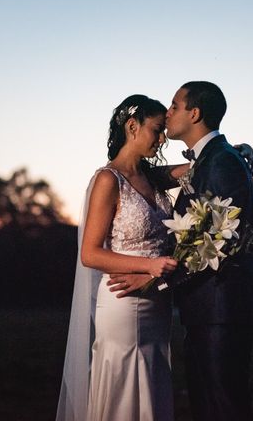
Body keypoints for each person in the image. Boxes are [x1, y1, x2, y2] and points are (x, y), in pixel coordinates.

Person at [56, 94, 184, 421]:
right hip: (123, 300)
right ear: (132, 127)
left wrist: (234, 153)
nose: (162, 139)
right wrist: (149, 266)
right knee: (126, 381)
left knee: (153, 378)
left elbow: (196, 167)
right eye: (156, 131)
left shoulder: (152, 177)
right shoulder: (107, 180)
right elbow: (90, 253)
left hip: (157, 302)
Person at [163, 81, 253, 420]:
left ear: (195, 113)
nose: (169, 112)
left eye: (175, 105)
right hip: (209, 307)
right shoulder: (214, 158)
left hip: (223, 308)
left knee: (223, 407)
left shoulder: (222, 161)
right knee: (208, 405)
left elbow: (223, 239)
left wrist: (160, 277)